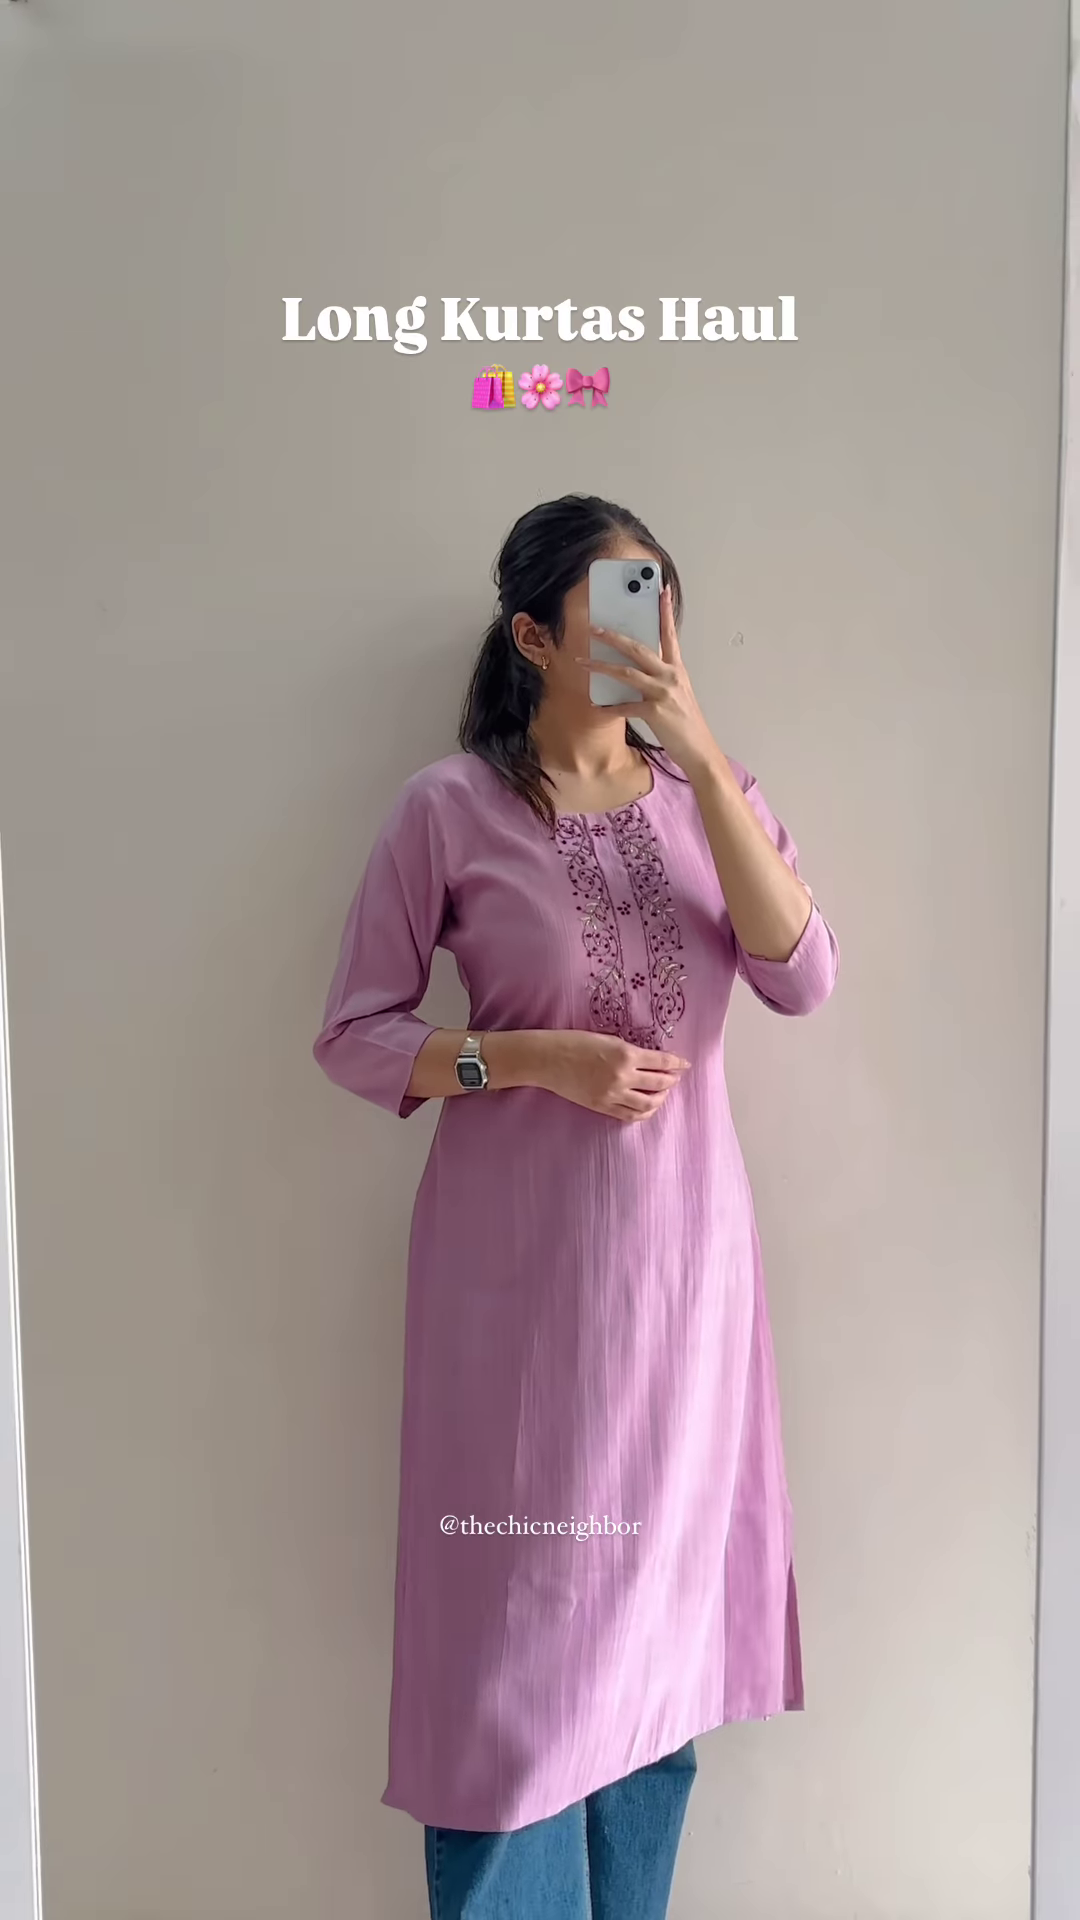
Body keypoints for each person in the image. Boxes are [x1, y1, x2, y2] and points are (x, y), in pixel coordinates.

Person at [313, 494, 839, 1920]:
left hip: (685, 1296)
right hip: (518, 1309)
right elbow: (354, 1032)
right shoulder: (448, 809)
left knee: (654, 1662)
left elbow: (802, 976)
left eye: (658, 596)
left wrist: (704, 752)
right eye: (613, 602)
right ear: (534, 636)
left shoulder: (708, 797)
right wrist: (529, 1058)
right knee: (514, 1681)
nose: (643, 630)